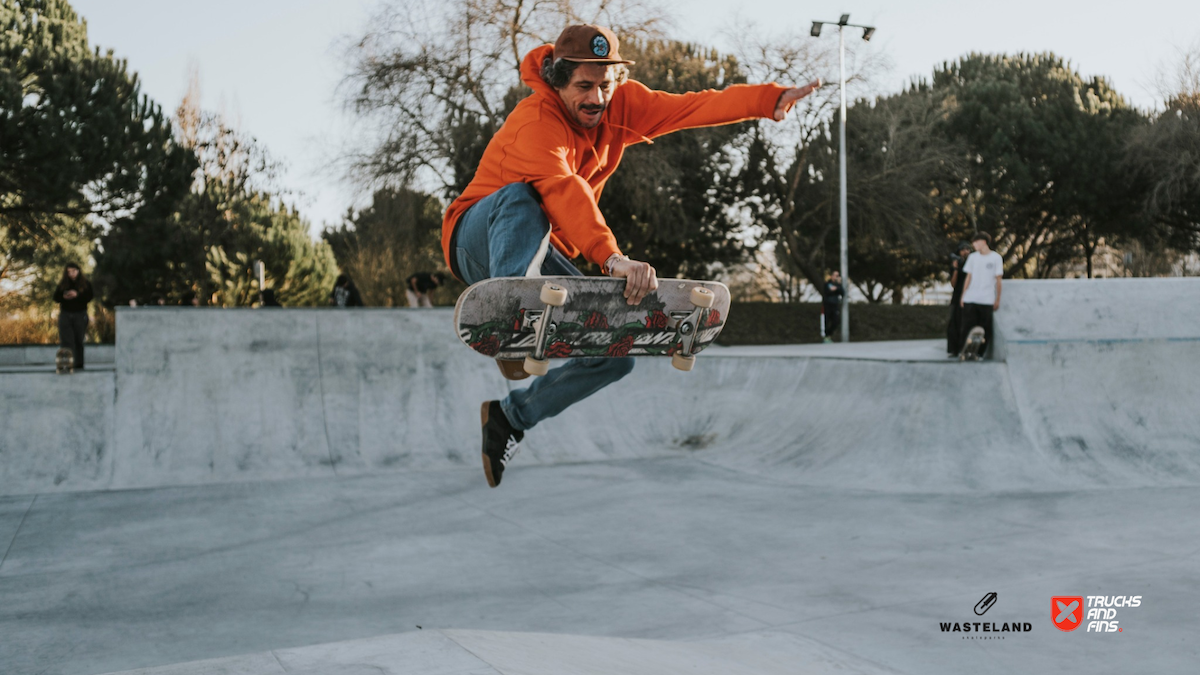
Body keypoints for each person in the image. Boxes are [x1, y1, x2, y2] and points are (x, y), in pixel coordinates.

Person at [441, 24, 821, 487]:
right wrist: (612, 258)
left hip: (535, 254)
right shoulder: (535, 121)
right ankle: (510, 321)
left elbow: (691, 106)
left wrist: (766, 100)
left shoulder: (621, 105)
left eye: (605, 85)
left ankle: (510, 418)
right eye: (583, 86)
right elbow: (566, 191)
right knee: (522, 197)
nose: (596, 98)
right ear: (559, 81)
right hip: (476, 240)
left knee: (614, 351)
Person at [960, 232, 1004, 358]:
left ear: (983, 242)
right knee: (967, 327)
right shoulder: (973, 257)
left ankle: (979, 353)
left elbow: (998, 280)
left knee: (985, 329)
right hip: (970, 298)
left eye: (975, 243)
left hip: (987, 299)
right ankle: (964, 351)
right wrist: (963, 296)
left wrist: (998, 299)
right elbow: (968, 277)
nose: (973, 246)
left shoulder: (996, 258)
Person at [53, 263, 93, 370]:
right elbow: (56, 297)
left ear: (78, 271)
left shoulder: (85, 284)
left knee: (78, 339)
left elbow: (89, 297)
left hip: (80, 314)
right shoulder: (63, 284)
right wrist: (64, 296)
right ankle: (66, 363)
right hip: (65, 314)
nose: (71, 274)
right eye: (69, 272)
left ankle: (79, 364)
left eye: (73, 271)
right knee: (66, 340)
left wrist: (77, 295)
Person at [946, 241, 973, 356]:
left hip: (970, 296)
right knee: (954, 324)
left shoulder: (973, 263)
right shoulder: (956, 264)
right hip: (957, 297)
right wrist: (955, 269)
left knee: (967, 323)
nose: (966, 251)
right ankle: (954, 350)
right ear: (959, 251)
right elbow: (953, 284)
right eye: (963, 249)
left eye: (968, 249)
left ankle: (966, 348)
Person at [821, 271, 844, 343]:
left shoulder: (838, 285)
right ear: (831, 276)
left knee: (836, 321)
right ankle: (826, 337)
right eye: (835, 275)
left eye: (837, 275)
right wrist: (834, 289)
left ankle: (828, 334)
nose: (836, 277)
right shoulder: (827, 283)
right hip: (827, 305)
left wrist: (838, 286)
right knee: (826, 321)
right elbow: (828, 291)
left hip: (835, 305)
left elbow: (842, 292)